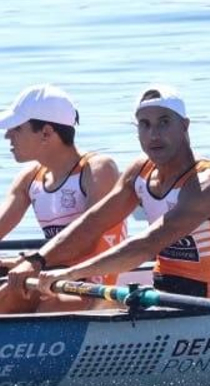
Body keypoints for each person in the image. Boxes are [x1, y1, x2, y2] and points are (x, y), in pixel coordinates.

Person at [16, 86, 210, 302]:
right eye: (145, 124)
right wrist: (37, 260)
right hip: (162, 290)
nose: (154, 135)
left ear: (184, 126)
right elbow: (93, 222)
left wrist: (71, 273)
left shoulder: (209, 184)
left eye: (164, 122)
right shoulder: (140, 171)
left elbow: (146, 245)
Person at [0, 86, 127, 313]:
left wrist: (32, 261)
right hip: (53, 276)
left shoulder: (97, 170)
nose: (7, 135)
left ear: (46, 132)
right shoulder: (29, 179)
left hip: (94, 286)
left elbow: (86, 239)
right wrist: (20, 262)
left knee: (44, 306)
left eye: (17, 128)